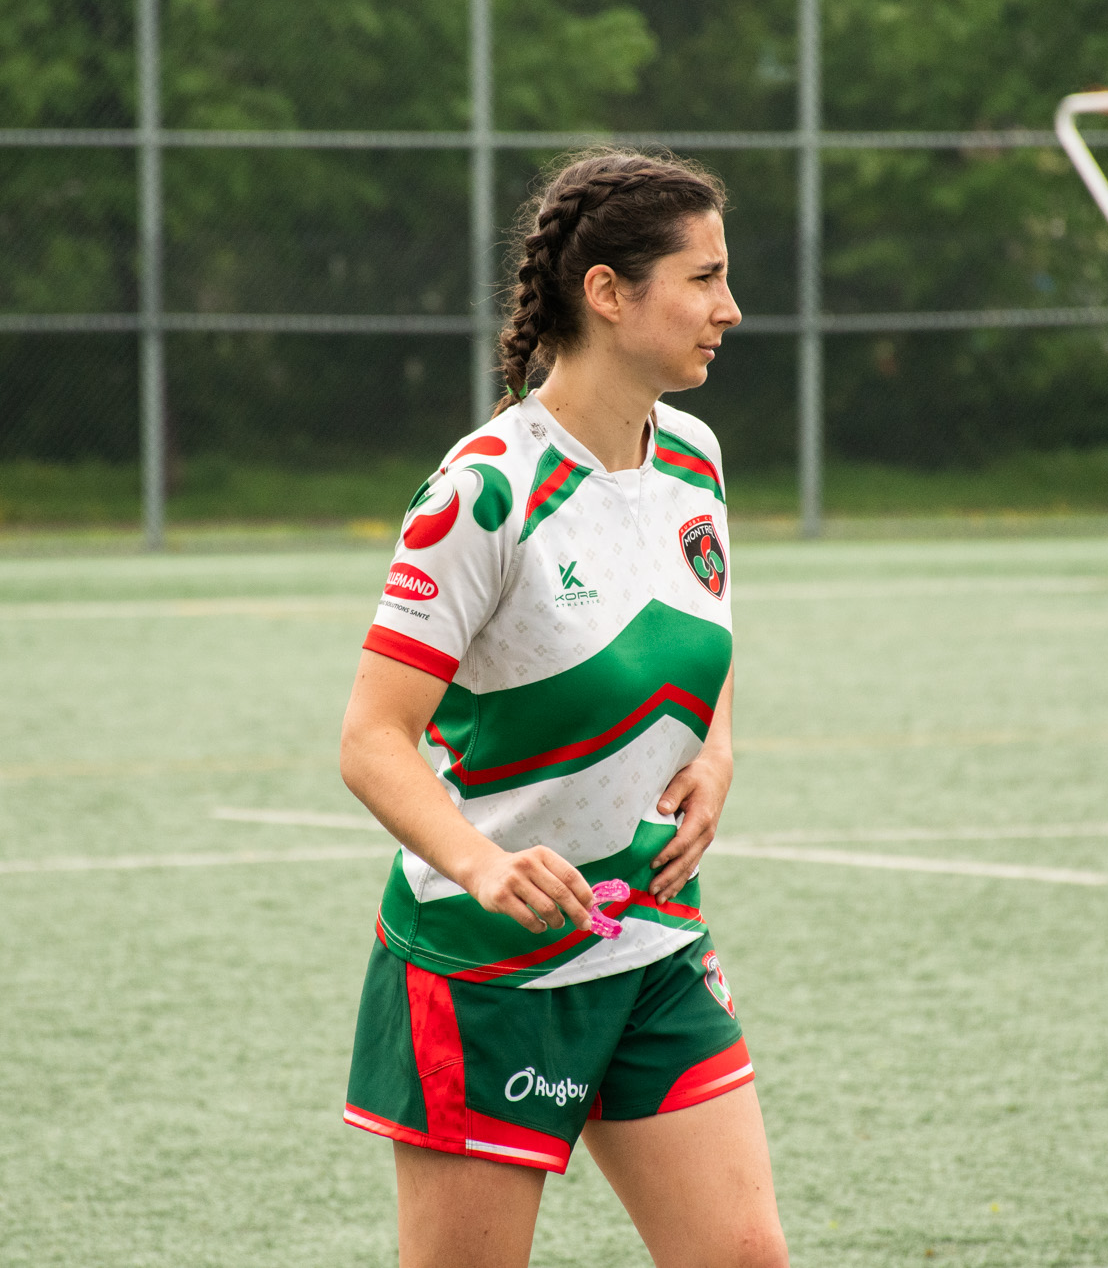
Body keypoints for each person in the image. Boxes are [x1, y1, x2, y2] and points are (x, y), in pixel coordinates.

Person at [337, 149, 786, 1268]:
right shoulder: (480, 493)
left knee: (742, 1257)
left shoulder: (693, 458)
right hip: (488, 969)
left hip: (652, 942)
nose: (729, 309)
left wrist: (716, 757)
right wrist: (486, 869)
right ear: (606, 293)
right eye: (702, 278)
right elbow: (370, 741)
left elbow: (704, 631)